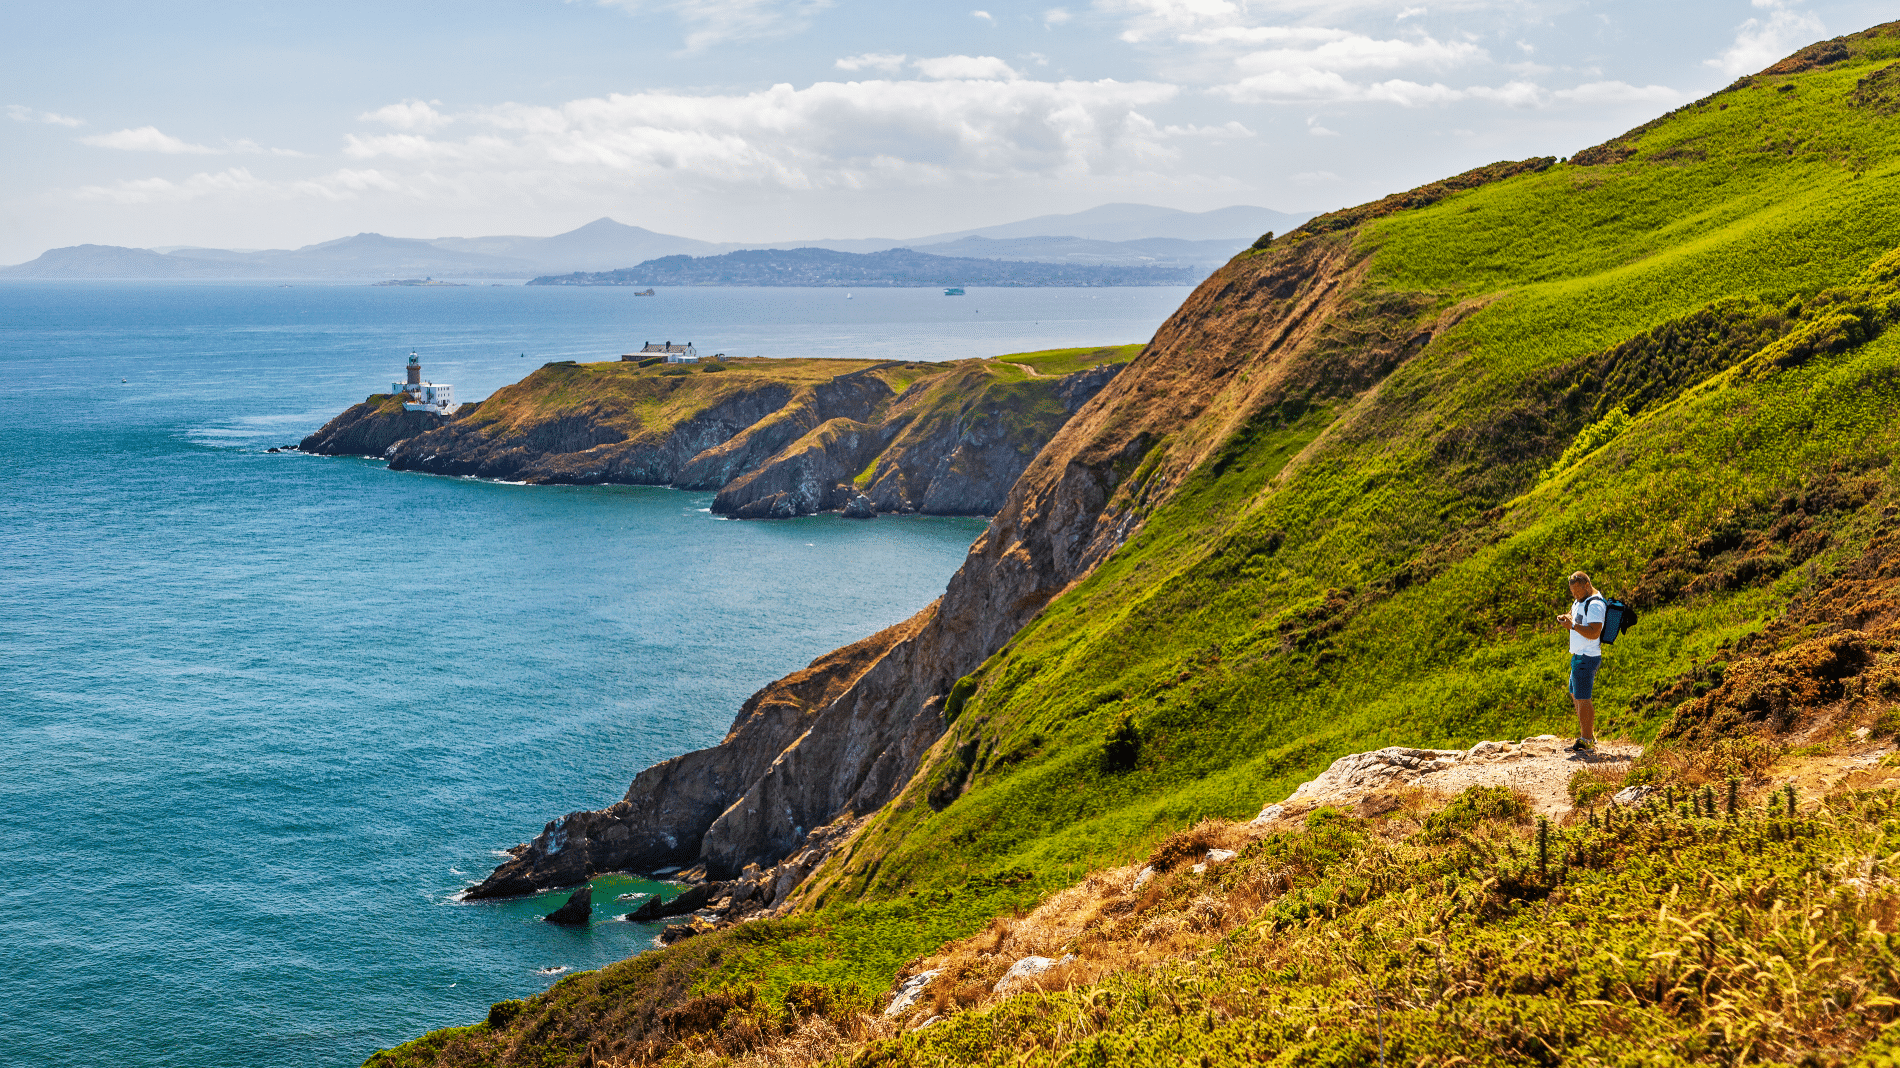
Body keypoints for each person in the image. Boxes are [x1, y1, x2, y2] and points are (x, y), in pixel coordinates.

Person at [1558, 571, 1605, 753]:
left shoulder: (1595, 605)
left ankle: (1586, 740)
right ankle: (1586, 735)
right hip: (1578, 655)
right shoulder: (1580, 600)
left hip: (1588, 656)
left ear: (1587, 585)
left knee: (1583, 697)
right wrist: (1567, 618)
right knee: (1575, 694)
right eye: (1572, 592)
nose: (1575, 596)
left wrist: (1573, 626)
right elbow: (1574, 615)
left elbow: (1594, 632)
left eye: (1577, 592)